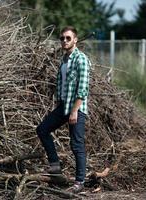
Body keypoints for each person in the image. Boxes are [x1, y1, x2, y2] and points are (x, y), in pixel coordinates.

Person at [36, 26, 90, 193]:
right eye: (62, 38)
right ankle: (55, 166)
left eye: (68, 38)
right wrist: (60, 106)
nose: (64, 41)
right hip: (64, 106)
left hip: (76, 108)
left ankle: (79, 182)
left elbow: (83, 89)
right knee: (42, 129)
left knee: (76, 145)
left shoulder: (80, 59)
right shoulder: (65, 60)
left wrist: (74, 111)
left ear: (75, 39)